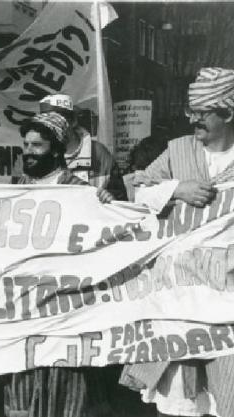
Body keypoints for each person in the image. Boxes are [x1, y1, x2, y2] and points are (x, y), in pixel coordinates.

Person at [121, 67, 234, 417]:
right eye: (191, 111)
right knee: (180, 391)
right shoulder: (177, 150)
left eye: (201, 113)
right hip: (178, 287)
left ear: (228, 112)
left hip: (228, 286)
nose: (193, 120)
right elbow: (135, 189)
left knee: (225, 383)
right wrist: (176, 189)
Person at [6, 111, 113, 417]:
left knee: (66, 384)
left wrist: (105, 203)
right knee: (24, 379)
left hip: (65, 302)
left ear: (55, 149)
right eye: (25, 144)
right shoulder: (14, 188)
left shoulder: (78, 190)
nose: (28, 151)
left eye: (36, 145)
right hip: (24, 301)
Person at [38, 94, 126, 199]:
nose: (49, 126)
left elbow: (120, 200)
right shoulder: (37, 154)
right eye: (44, 121)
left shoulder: (98, 153)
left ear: (73, 121)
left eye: (56, 119)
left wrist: (110, 198)